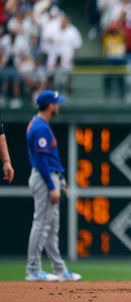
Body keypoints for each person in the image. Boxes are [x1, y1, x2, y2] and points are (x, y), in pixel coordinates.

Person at [25, 90, 81, 282]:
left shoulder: (40, 124)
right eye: (56, 103)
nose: (58, 105)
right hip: (44, 178)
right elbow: (41, 160)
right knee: (41, 225)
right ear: (50, 106)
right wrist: (51, 186)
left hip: (50, 176)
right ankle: (33, 270)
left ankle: (59, 269)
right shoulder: (40, 127)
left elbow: (48, 157)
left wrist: (61, 177)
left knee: (51, 227)